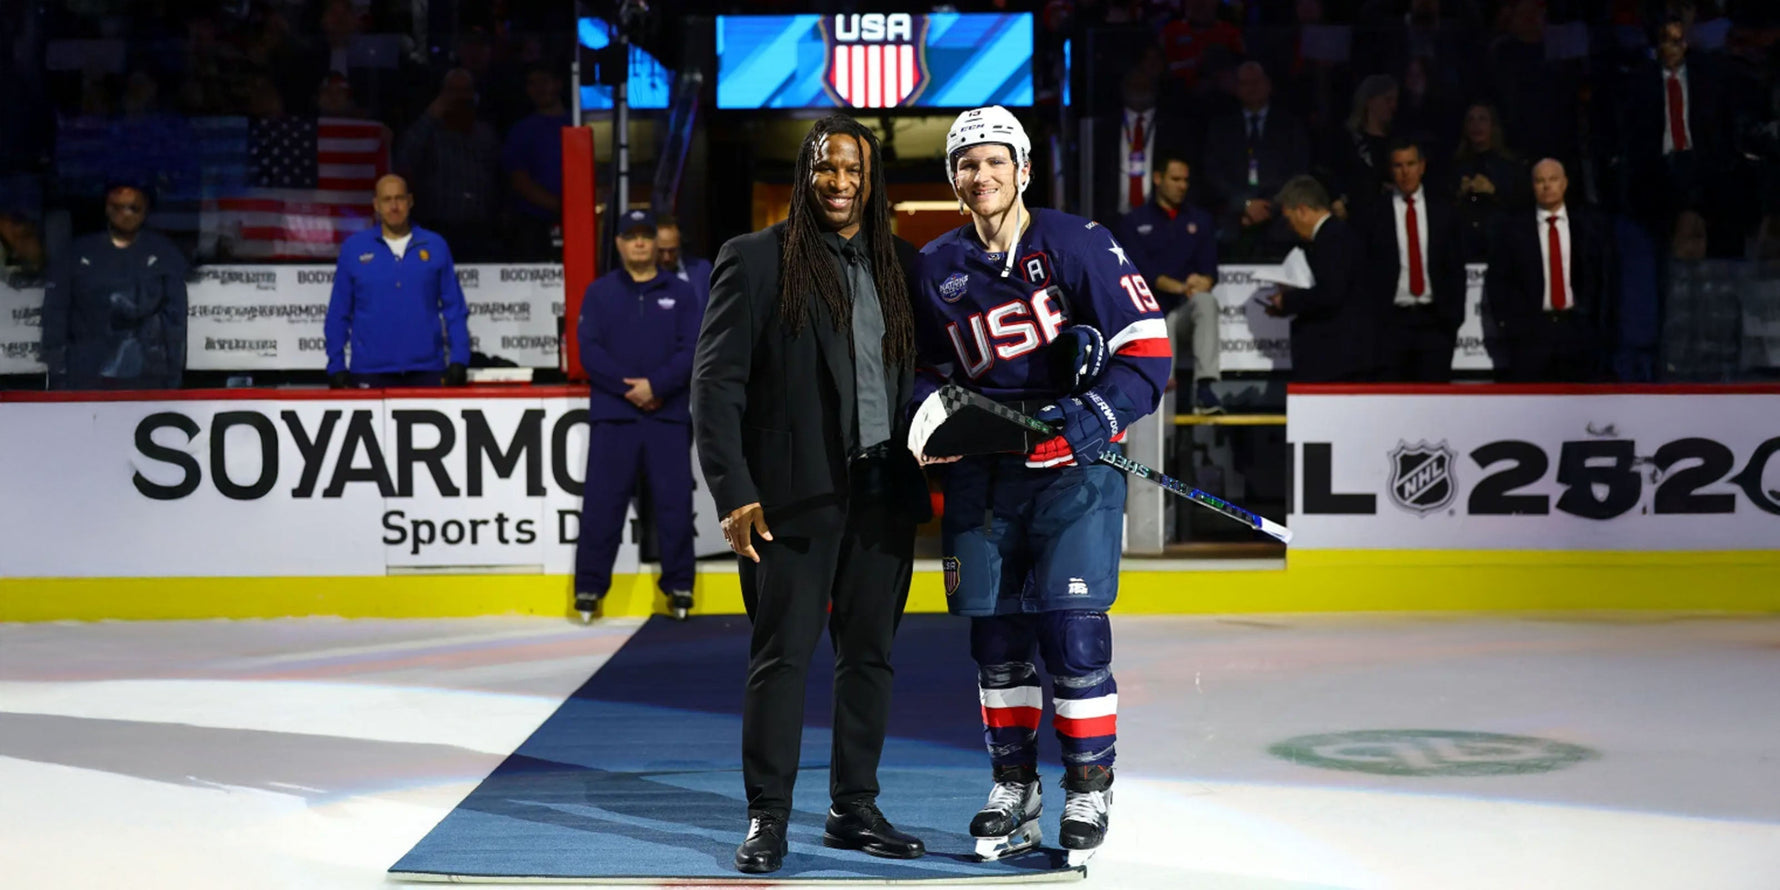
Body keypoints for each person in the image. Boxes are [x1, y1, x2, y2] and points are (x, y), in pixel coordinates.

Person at [907, 106, 1171, 866]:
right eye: (966, 165)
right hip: (985, 474)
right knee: (995, 640)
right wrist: (928, 420)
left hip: (1072, 473)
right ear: (953, 181)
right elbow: (922, 372)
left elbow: (1147, 353)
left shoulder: (1078, 243)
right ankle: (1013, 785)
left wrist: (1092, 419)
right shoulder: (936, 268)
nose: (980, 175)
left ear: (1023, 169)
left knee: (1073, 633)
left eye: (994, 161)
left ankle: (1090, 785)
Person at [691, 114, 931, 875]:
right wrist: (734, 490)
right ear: (806, 173)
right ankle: (768, 817)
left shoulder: (900, 263)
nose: (839, 182)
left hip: (883, 494)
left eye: (854, 170)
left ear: (872, 179)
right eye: (827, 168)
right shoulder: (756, 261)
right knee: (782, 660)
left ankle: (852, 807)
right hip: (792, 500)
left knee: (870, 657)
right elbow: (716, 385)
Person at [573, 209, 700, 622]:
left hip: (667, 416)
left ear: (657, 241)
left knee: (674, 506)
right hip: (615, 417)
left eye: (646, 236)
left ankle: (680, 586)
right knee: (602, 507)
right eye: (632, 236)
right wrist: (631, 390)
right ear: (619, 244)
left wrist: (656, 387)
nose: (640, 243)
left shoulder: (681, 294)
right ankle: (589, 590)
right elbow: (589, 351)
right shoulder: (599, 293)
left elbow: (692, 349)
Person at [324, 174, 471, 388]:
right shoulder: (354, 249)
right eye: (387, 199)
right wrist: (336, 366)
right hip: (369, 373)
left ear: (410, 201)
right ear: (376, 204)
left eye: (400, 198)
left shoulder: (435, 245)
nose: (394, 206)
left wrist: (459, 359)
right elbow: (338, 313)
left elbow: (454, 309)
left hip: (427, 371)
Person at [41, 184, 187, 390]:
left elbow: (175, 320)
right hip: (84, 375)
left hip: (148, 376)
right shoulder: (76, 253)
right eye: (117, 207)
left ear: (145, 211)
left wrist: (173, 376)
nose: (125, 214)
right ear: (106, 209)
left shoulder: (165, 254)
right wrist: (58, 373)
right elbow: (55, 313)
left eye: (133, 208)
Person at [1484, 158, 1616, 382]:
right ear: (1532, 186)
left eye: (1553, 179)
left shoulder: (1587, 226)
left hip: (1576, 331)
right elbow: (1498, 282)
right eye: (1540, 181)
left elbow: (1603, 278)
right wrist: (1511, 328)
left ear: (1564, 183)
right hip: (1531, 334)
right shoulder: (1513, 230)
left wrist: (1594, 325)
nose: (1547, 186)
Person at [1115, 153, 1222, 412]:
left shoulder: (1200, 220)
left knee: (1206, 301)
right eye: (1175, 179)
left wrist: (1202, 282)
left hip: (1187, 309)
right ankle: (1160, 395)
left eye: (1185, 180)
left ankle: (1205, 387)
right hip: (1150, 314)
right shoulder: (1134, 222)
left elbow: (1210, 272)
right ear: (1158, 178)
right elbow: (1142, 274)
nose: (1182, 186)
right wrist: (1182, 286)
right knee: (1163, 321)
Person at [1361, 137, 1466, 382]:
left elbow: (1455, 267)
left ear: (1422, 166)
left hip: (1435, 322)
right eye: (1398, 166)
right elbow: (1366, 271)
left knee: (1434, 404)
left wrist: (1452, 319)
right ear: (1390, 169)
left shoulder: (1444, 211)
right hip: (1390, 324)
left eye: (1410, 164)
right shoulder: (1374, 213)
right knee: (1391, 404)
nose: (1405, 172)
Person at [1261, 175, 1378, 382]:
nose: (1290, 227)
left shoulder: (1333, 237)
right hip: (1338, 355)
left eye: (1289, 219)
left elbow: (1330, 293)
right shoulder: (1333, 235)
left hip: (1338, 359)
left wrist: (1286, 301)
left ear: (1303, 210)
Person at [1200, 61, 1311, 261]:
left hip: (1280, 219)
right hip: (1234, 220)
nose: (1251, 88)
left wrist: (1269, 206)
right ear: (1235, 88)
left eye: (1256, 82)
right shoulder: (1221, 127)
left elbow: (1298, 172)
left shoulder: (1289, 126)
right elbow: (1212, 174)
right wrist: (1245, 204)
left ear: (1268, 85)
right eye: (1245, 83)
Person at [655, 215, 713, 310]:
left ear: (680, 245)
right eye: (660, 251)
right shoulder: (641, 276)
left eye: (672, 250)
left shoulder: (702, 271)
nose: (667, 258)